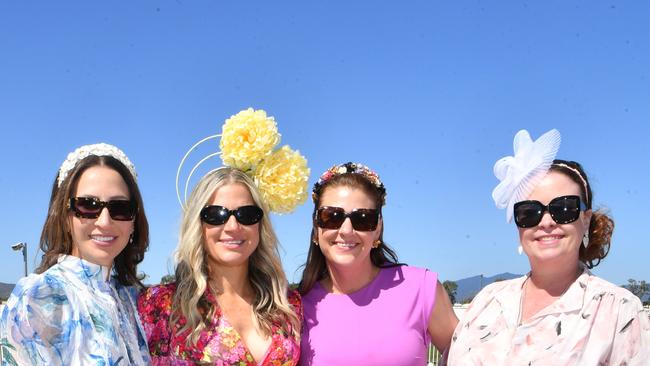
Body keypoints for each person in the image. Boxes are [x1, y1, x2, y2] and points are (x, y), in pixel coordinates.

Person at [448, 129, 650, 365]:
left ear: (585, 220)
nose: (546, 222)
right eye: (529, 212)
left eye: (564, 208)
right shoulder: (487, 301)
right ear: (518, 226)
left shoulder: (618, 310)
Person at [138, 108, 309, 365]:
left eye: (246, 214)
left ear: (260, 225)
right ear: (198, 223)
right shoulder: (161, 305)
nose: (232, 226)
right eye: (216, 214)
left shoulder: (288, 306)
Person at [0, 143, 151, 365]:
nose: (104, 222)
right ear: (65, 216)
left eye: (120, 208)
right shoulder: (40, 297)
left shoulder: (132, 298)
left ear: (134, 221)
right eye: (88, 206)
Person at [299, 162, 458, 366]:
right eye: (332, 217)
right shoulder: (296, 307)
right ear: (315, 226)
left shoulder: (422, 289)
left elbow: (470, 356)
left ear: (377, 229)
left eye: (363, 219)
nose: (346, 230)